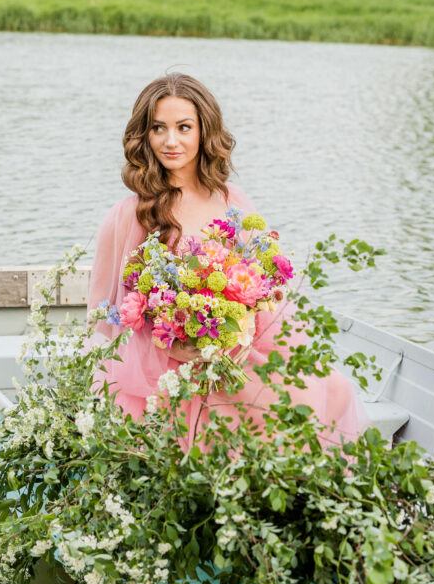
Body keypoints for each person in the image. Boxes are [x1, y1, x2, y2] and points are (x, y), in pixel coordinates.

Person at [87, 73, 368, 448]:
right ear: (144, 136)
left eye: (184, 127)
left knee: (332, 388)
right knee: (208, 422)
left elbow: (262, 291)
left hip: (233, 354)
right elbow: (110, 315)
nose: (171, 141)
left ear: (204, 132)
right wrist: (176, 346)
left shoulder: (231, 200)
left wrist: (235, 338)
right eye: (158, 128)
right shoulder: (129, 215)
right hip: (166, 365)